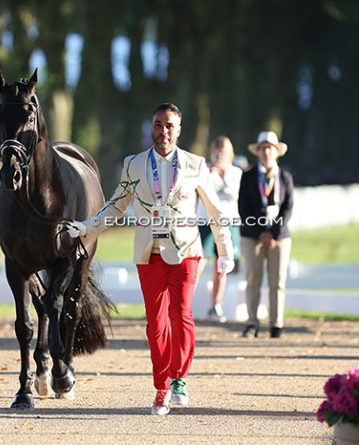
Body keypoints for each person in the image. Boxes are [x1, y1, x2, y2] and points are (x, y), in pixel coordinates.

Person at [64, 102, 234, 416]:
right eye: (158, 124)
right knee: (156, 324)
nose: (163, 131)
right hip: (148, 253)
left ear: (179, 130)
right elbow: (115, 206)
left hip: (185, 252)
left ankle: (177, 380)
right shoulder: (134, 165)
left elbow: (214, 212)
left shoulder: (196, 165)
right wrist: (86, 227)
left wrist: (226, 251)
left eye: (169, 125)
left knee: (181, 314)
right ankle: (161, 384)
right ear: (152, 128)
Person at [238, 131, 294, 339]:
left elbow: (287, 209)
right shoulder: (248, 176)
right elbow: (243, 208)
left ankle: (276, 324)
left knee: (277, 281)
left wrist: (272, 233)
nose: (266, 152)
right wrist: (260, 233)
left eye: (270, 148)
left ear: (277, 152)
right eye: (262, 148)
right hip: (252, 235)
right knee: (253, 279)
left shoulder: (285, 177)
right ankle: (252, 322)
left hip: (279, 236)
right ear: (258, 152)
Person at [196, 136, 243, 322]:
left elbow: (235, 195)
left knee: (221, 265)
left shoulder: (236, 173)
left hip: (229, 223)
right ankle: (182, 302)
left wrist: (222, 175)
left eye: (222, 152)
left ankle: (216, 305)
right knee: (199, 261)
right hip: (206, 222)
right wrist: (212, 172)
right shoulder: (204, 170)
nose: (219, 156)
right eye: (216, 152)